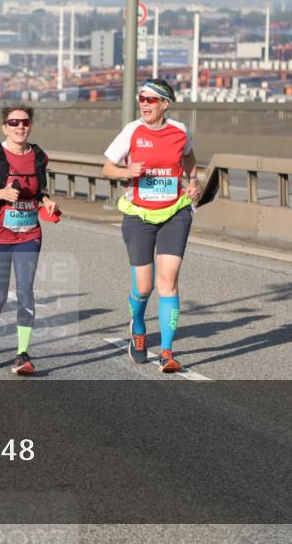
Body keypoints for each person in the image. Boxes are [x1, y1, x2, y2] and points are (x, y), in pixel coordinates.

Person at [101, 79, 201, 373]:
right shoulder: (132, 131)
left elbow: (190, 156)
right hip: (138, 214)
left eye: (151, 100)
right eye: (141, 99)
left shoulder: (179, 131)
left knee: (167, 282)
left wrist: (193, 182)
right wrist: (125, 170)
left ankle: (168, 352)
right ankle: (139, 327)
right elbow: (106, 167)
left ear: (165, 104)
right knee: (144, 287)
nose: (144, 104)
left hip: (175, 212)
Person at [0, 106, 59, 375]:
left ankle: (22, 354)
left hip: (29, 234)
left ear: (31, 125)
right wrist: (2, 193)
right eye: (13, 122)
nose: (20, 127)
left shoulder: (39, 156)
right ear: (5, 127)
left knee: (26, 294)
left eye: (25, 122)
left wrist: (46, 200)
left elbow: (37, 190)